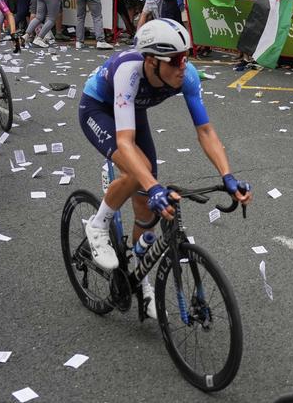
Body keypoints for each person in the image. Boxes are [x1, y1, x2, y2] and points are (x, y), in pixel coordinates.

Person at [79, 19, 252, 319]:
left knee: (147, 211)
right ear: (150, 60)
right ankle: (97, 224)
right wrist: (153, 184)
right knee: (139, 173)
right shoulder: (128, 72)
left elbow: (206, 131)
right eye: (174, 60)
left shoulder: (187, 76)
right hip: (98, 108)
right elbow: (125, 141)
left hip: (134, 110)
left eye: (185, 56)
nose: (182, 65)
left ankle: (140, 280)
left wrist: (228, 176)